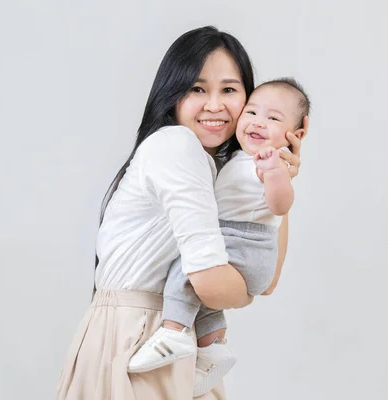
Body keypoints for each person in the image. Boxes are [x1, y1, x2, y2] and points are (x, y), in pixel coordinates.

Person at [56, 26, 307, 400]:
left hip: (172, 339)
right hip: (139, 339)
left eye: (229, 90)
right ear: (172, 93)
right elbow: (212, 285)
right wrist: (242, 294)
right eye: (197, 89)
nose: (214, 105)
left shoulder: (214, 170)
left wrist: (275, 175)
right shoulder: (178, 146)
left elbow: (265, 278)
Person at [127, 78, 311, 396]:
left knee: (189, 265)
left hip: (246, 243)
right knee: (204, 299)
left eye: (273, 118)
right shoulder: (239, 159)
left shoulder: (268, 162)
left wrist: (277, 173)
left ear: (297, 132)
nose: (257, 122)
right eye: (252, 112)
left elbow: (281, 204)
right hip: (238, 242)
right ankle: (214, 347)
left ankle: (173, 332)